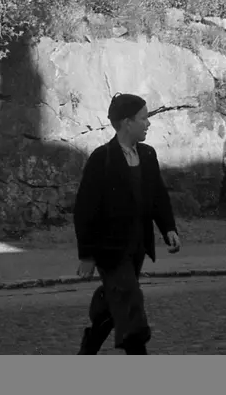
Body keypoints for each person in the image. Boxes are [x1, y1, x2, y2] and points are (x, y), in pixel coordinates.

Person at [73, 93, 180, 355]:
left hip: (137, 247)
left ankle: (88, 349)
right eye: (144, 118)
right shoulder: (102, 158)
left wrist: (168, 229)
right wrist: (87, 255)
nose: (148, 123)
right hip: (109, 250)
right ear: (126, 122)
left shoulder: (147, 154)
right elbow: (84, 210)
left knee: (117, 299)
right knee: (131, 304)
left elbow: (157, 196)